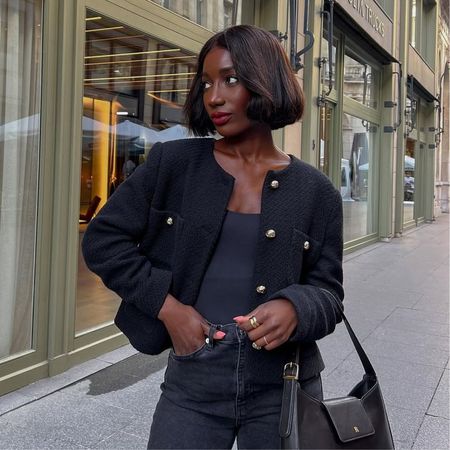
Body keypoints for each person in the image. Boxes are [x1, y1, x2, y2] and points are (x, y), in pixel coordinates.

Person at [82, 25, 344, 450]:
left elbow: (329, 294)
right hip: (194, 376)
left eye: (231, 79)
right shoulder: (174, 164)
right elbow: (102, 241)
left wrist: (295, 307)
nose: (214, 96)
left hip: (285, 383)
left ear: (266, 80)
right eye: (206, 83)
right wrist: (169, 309)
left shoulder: (316, 191)